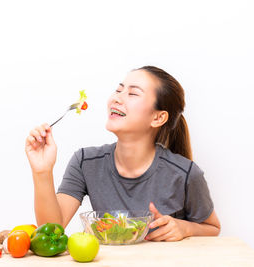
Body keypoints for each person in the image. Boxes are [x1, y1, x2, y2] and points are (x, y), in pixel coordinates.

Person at [25, 66, 221, 241]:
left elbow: (213, 228)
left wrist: (185, 228)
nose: (116, 98)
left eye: (133, 93)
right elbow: (51, 230)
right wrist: (42, 172)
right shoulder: (85, 162)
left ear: (158, 117)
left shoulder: (186, 173)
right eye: (118, 90)